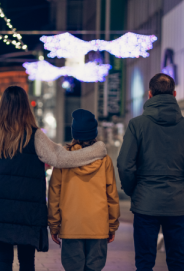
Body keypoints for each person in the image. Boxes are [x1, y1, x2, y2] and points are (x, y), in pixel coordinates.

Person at [0, 86, 108, 271]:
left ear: (2, 106)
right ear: (26, 107)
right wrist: (96, 150)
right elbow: (59, 158)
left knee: (3, 260)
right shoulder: (34, 135)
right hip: (28, 208)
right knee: (27, 261)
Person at [116, 73, 184, 271]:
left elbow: (125, 164)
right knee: (177, 262)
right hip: (175, 204)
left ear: (149, 95)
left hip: (145, 204)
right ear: (174, 94)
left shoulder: (137, 125)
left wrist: (135, 190)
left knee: (144, 262)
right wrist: (182, 187)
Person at [48, 109, 120, 271]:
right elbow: (112, 196)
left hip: (70, 226)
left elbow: (54, 194)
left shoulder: (62, 160)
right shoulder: (105, 160)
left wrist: (54, 225)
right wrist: (112, 225)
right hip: (98, 227)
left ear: (74, 133)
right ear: (94, 133)